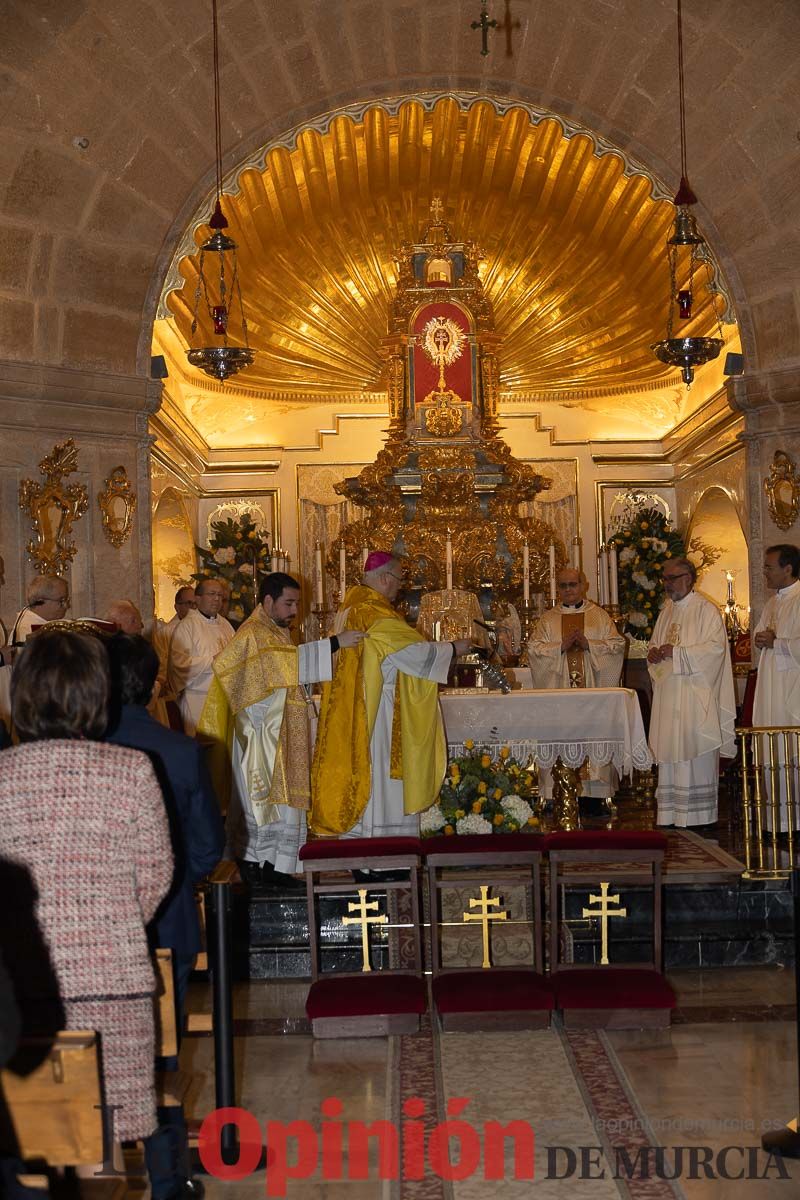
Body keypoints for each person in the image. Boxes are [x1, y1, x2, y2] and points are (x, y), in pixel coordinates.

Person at [0, 630, 181, 1194]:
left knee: (30, 1143)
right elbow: (156, 874)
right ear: (97, 694)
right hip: (114, 988)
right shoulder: (130, 770)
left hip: (19, 998)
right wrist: (114, 924)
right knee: (102, 1150)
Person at [105, 633, 224, 1187]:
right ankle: (168, 1176)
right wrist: (178, 884)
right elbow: (206, 847)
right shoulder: (179, 750)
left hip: (97, 929)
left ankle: (93, 1159)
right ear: (154, 684)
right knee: (162, 1052)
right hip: (170, 921)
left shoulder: (87, 748)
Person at [199, 573, 365, 890]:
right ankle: (255, 867)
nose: (294, 611)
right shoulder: (253, 633)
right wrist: (333, 643)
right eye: (288, 603)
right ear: (267, 602)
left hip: (279, 734)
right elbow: (279, 665)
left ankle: (275, 867)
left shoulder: (272, 631)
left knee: (282, 805)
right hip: (260, 738)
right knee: (260, 804)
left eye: (297, 604)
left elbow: (284, 667)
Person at [311, 552, 470, 839]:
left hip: (356, 704)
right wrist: (454, 648)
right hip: (377, 710)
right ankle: (383, 848)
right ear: (385, 578)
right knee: (380, 775)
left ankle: (364, 845)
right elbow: (410, 653)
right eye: (398, 580)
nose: (400, 587)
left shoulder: (349, 607)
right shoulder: (374, 611)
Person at [528, 567, 625, 813]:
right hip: (559, 696)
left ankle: (596, 791)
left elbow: (616, 646)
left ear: (583, 585)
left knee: (593, 732)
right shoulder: (548, 619)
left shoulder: (599, 616)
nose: (568, 590)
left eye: (572, 584)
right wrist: (560, 646)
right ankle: (553, 790)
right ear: (557, 588)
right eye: (563, 586)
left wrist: (589, 644)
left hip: (591, 695)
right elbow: (534, 650)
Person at [647, 558, 736, 828]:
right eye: (664, 579)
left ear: (689, 578)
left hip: (695, 697)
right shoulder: (666, 612)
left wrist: (678, 654)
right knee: (671, 749)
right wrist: (653, 654)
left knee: (692, 748)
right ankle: (671, 813)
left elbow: (716, 651)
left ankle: (699, 816)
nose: (667, 584)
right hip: (670, 694)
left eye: (672, 578)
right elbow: (655, 643)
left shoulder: (707, 610)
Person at [752, 544, 800, 830]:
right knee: (774, 753)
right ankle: (779, 823)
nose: (765, 573)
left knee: (793, 754)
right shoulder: (772, 603)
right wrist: (762, 640)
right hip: (772, 688)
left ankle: (796, 823)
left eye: (769, 567)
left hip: (793, 690)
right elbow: (762, 637)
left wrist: (776, 643)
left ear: (788, 568)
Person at [168, 577, 234, 735]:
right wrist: (213, 661)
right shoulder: (187, 626)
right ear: (198, 599)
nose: (217, 599)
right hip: (198, 698)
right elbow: (179, 664)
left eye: (220, 595)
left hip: (225, 699)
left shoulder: (226, 625)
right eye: (212, 594)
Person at [8, 574, 70, 645]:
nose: (66, 606)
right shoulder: (26, 632)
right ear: (40, 602)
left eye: (66, 600)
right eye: (61, 600)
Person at [152, 586, 197, 675]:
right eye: (189, 603)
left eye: (195, 604)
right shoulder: (165, 633)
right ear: (177, 607)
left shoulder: (203, 628)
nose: (193, 607)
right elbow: (162, 667)